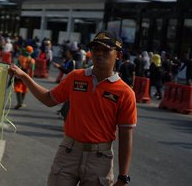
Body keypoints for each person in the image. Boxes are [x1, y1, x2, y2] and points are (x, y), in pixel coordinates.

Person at [8, 30, 137, 186]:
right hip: (68, 152)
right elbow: (49, 99)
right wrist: (23, 76)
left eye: (106, 50)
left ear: (119, 55)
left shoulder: (125, 93)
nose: (99, 54)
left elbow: (126, 136)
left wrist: (123, 176)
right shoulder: (76, 77)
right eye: (95, 49)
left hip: (99, 159)